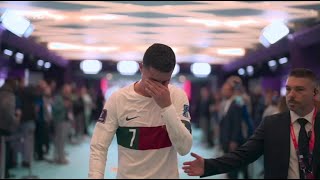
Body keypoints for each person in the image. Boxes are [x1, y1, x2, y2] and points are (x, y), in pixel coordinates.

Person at [183, 68, 320, 179]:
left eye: (299, 89)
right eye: (288, 89)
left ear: (315, 92)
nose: (291, 95)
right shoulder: (272, 124)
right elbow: (244, 155)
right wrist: (208, 165)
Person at [89, 43, 192, 179]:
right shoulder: (118, 99)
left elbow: (184, 149)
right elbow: (98, 147)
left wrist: (167, 107)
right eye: (153, 80)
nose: (158, 88)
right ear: (141, 68)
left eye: (164, 82)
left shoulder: (177, 96)